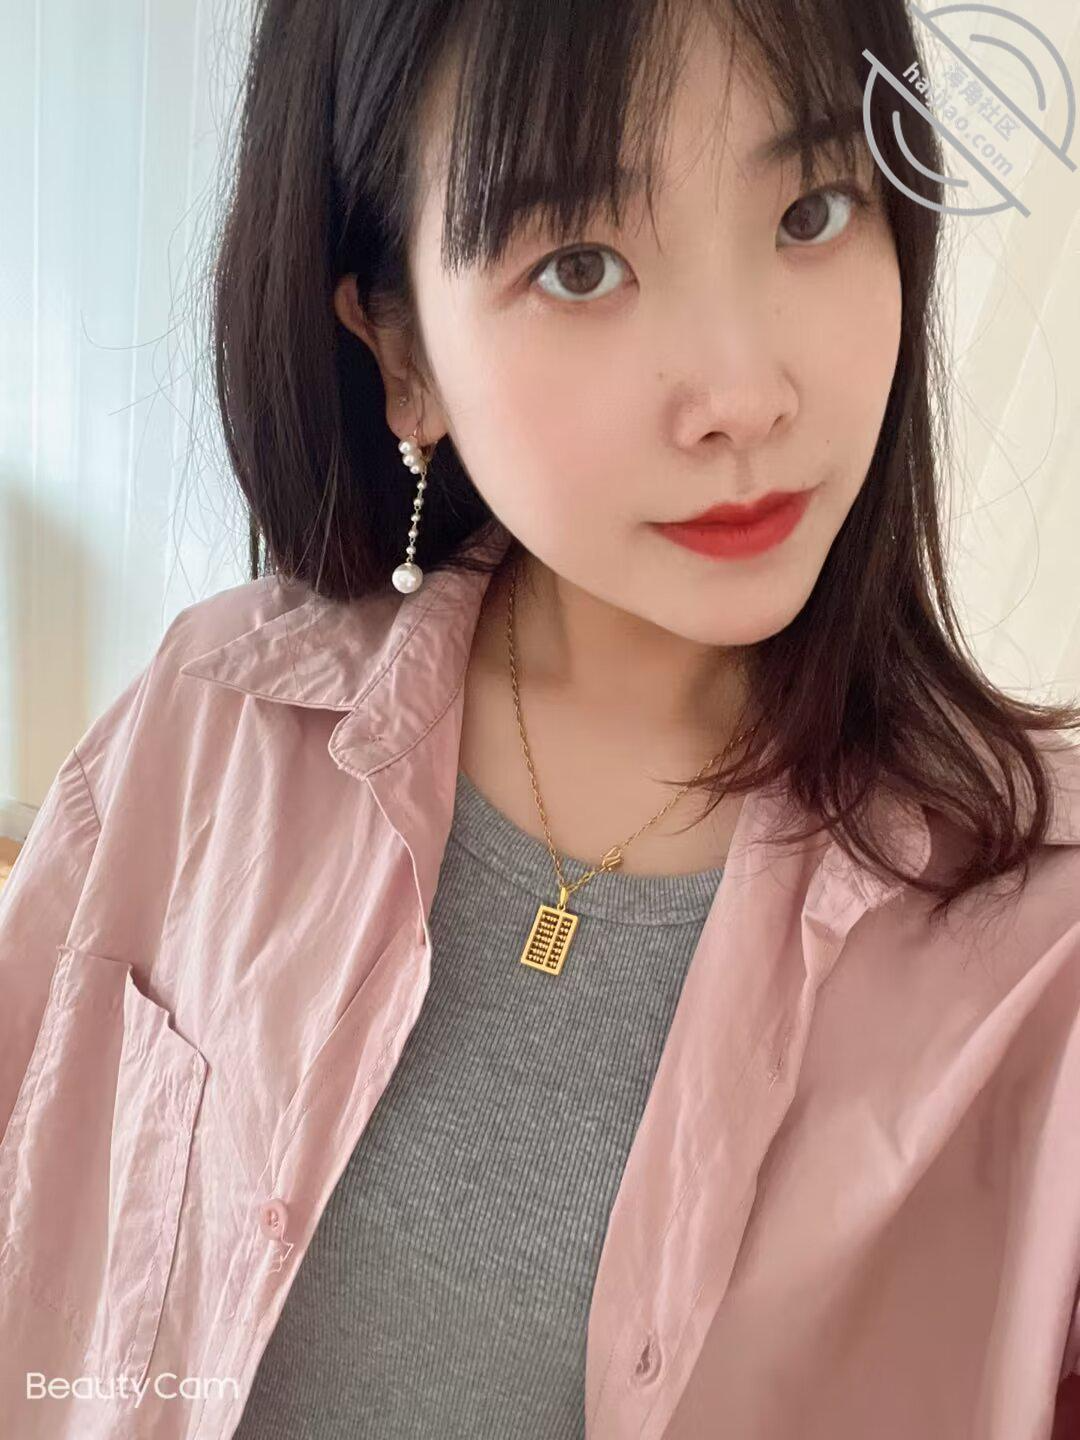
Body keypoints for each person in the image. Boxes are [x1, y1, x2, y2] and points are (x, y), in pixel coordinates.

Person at [2, 0, 1080, 1436]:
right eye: (581, 265)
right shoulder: (214, 720)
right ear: (402, 351)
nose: (743, 395)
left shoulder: (1040, 929)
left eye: (813, 210)